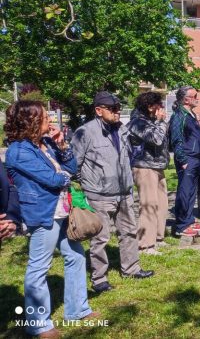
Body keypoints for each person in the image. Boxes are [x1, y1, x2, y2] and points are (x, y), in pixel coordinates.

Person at [5, 101, 97, 337]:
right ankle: (38, 324)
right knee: (39, 267)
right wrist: (64, 176)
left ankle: (77, 310)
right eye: (46, 117)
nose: (51, 121)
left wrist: (63, 145)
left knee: (76, 256)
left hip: (63, 210)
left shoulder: (46, 143)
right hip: (43, 213)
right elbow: (54, 180)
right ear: (31, 121)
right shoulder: (19, 151)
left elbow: (72, 167)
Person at [71, 92, 155, 293]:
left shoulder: (122, 130)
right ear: (98, 111)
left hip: (124, 192)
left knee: (129, 232)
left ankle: (131, 268)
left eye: (118, 108)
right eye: (113, 109)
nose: (118, 112)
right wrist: (90, 185)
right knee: (100, 238)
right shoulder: (85, 133)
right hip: (99, 195)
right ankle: (99, 278)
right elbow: (75, 165)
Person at [126, 92, 169, 256]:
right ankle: (145, 244)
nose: (162, 108)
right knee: (149, 204)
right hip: (144, 167)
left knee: (162, 204)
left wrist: (159, 122)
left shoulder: (152, 121)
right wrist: (160, 122)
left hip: (158, 166)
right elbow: (156, 139)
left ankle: (158, 237)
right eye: (159, 104)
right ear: (150, 107)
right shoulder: (137, 123)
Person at [169, 86, 200, 237]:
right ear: (186, 99)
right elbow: (176, 139)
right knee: (185, 191)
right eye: (195, 95)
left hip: (196, 159)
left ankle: (188, 219)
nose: (197, 98)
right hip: (188, 159)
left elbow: (197, 137)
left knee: (191, 192)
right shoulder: (179, 115)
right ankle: (182, 225)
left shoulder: (191, 115)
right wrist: (183, 159)